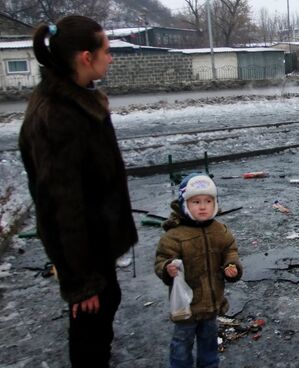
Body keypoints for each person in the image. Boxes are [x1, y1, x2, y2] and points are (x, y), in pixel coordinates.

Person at [18, 15, 138, 368]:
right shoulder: (57, 116)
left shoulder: (78, 100)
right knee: (89, 334)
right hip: (84, 256)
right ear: (86, 57)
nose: (111, 57)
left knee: (102, 320)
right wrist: (80, 283)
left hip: (95, 245)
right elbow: (60, 206)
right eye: (107, 50)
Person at [155, 174, 243, 368]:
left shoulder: (220, 230)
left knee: (209, 343)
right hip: (186, 307)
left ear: (215, 203)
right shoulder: (174, 235)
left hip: (212, 304)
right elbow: (161, 260)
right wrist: (166, 268)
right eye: (196, 202)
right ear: (185, 204)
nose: (203, 206)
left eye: (208, 201)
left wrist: (232, 266)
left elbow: (230, 251)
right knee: (181, 345)